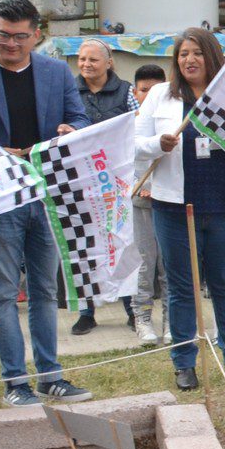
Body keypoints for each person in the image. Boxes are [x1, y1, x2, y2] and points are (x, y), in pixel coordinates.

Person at [0, 0, 91, 406]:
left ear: (36, 36)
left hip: (46, 191)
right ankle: (15, 382)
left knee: (46, 290)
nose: (9, 44)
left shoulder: (55, 73)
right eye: (2, 36)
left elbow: (79, 118)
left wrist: (70, 129)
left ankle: (51, 376)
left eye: (18, 37)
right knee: (5, 290)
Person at [135, 27, 225, 391]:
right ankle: (184, 362)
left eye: (197, 53)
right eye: (183, 54)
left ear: (212, 56)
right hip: (175, 207)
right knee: (182, 287)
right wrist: (159, 143)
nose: (189, 60)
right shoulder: (160, 95)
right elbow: (135, 144)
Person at [70, 37, 137, 336]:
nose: (86, 64)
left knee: (121, 242)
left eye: (93, 59)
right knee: (84, 245)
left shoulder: (126, 92)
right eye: (82, 59)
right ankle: (87, 311)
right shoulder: (69, 91)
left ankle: (132, 308)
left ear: (108, 63)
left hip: (117, 180)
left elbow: (137, 127)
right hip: (81, 181)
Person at [128, 63, 169, 345]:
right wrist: (141, 188)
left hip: (170, 202)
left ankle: (171, 321)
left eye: (156, 90)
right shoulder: (131, 122)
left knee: (171, 266)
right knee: (144, 264)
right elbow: (126, 158)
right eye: (145, 90)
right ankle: (142, 320)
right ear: (135, 92)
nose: (150, 95)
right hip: (140, 201)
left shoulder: (171, 119)